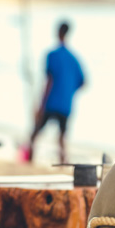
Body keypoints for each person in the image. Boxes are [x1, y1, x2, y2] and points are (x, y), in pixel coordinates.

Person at [28, 21, 85, 163]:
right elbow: (83, 81)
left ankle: (30, 159)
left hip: (51, 102)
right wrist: (69, 91)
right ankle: (63, 162)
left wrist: (41, 105)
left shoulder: (52, 55)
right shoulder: (74, 58)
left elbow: (49, 81)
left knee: (35, 132)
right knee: (62, 137)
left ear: (58, 32)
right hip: (66, 104)